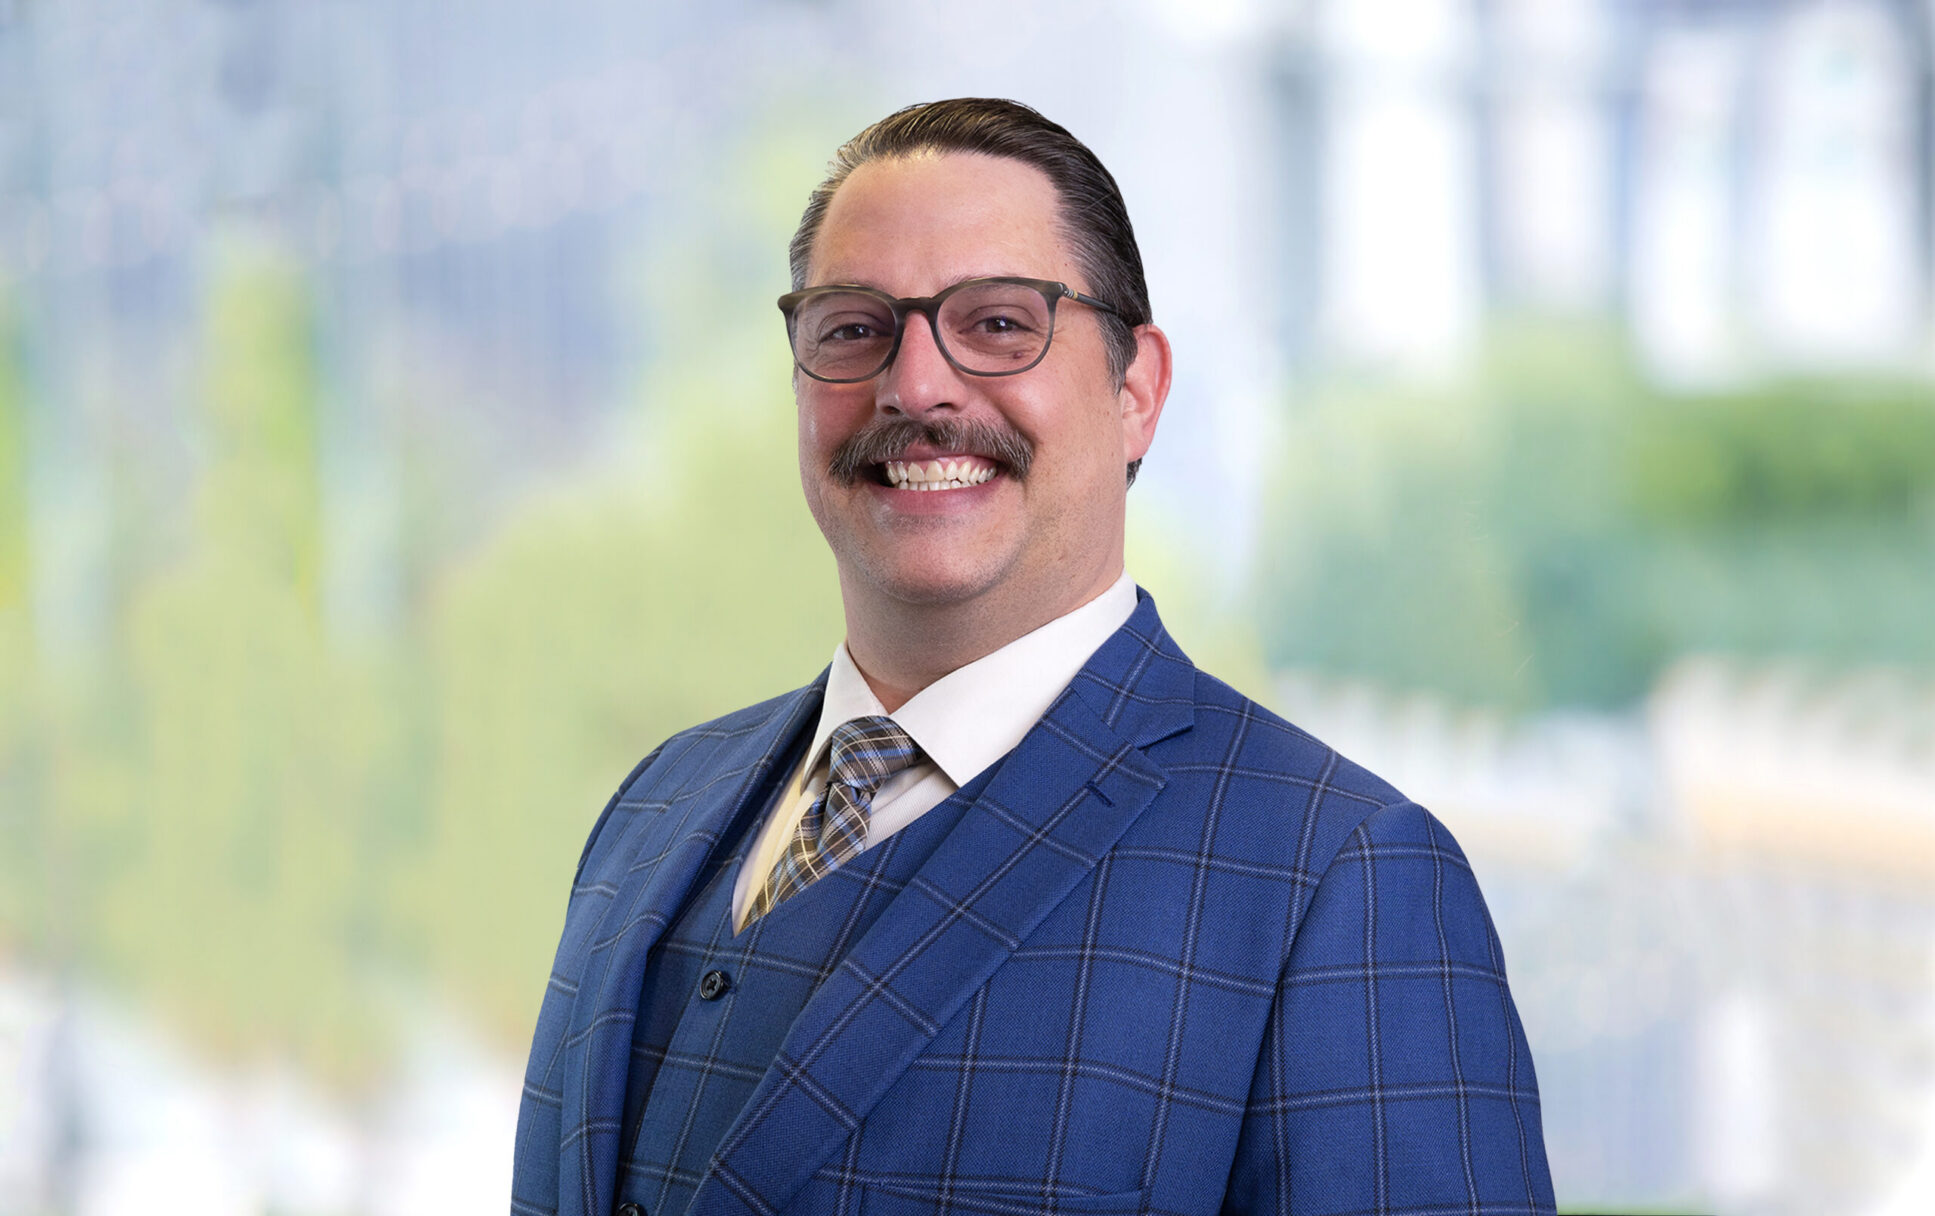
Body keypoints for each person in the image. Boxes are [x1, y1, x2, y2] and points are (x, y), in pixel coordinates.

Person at [511, 98, 1556, 1216]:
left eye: (1000, 324)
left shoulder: (1340, 882)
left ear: (1136, 391)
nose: (915, 387)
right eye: (853, 328)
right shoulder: (656, 805)